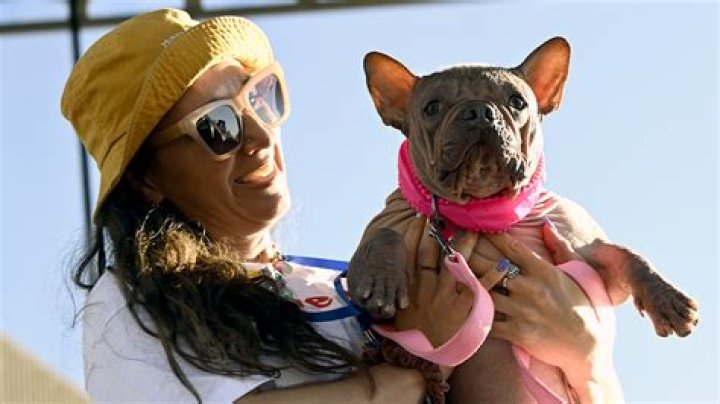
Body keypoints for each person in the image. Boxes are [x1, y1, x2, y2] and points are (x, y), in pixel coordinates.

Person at [62, 8, 620, 403]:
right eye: (218, 126)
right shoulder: (133, 300)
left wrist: (585, 355)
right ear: (147, 179)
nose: (259, 136)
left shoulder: (348, 280)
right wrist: (400, 378)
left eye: (261, 97)